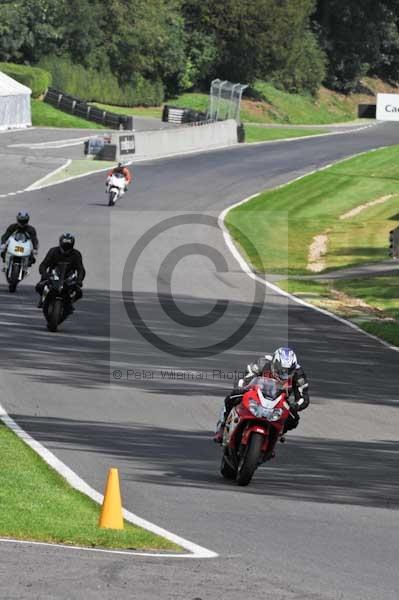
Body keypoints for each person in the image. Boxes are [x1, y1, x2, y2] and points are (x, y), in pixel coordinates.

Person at [213, 347, 310, 443]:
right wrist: (242, 387)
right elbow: (246, 377)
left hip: (281, 402)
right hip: (257, 394)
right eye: (281, 369)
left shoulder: (299, 374)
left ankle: (276, 435)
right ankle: (222, 426)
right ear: (274, 362)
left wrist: (295, 406)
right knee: (233, 397)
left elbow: (303, 397)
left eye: (288, 371)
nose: (284, 373)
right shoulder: (262, 363)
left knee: (293, 419)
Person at [36, 233, 86, 312]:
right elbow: (44, 264)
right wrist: (44, 274)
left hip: (68, 278)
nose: (66, 249)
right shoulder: (53, 251)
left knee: (79, 292)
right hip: (53, 275)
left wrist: (79, 280)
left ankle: (70, 303)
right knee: (39, 286)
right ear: (60, 244)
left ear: (72, 246)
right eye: (64, 246)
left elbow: (81, 269)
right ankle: (43, 299)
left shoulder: (76, 254)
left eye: (68, 247)